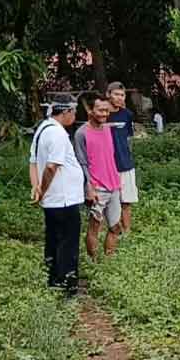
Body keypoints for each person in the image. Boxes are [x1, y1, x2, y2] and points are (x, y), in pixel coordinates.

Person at [29, 105, 84, 296]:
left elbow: (33, 162)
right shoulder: (58, 134)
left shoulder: (42, 129)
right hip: (64, 198)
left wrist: (35, 188)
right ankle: (68, 285)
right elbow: (51, 167)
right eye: (74, 113)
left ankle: (53, 279)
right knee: (68, 243)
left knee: (53, 240)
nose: (75, 116)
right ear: (65, 112)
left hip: (53, 200)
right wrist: (42, 189)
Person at [75, 94, 123, 259]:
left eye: (106, 111)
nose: (104, 114)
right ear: (90, 110)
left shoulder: (108, 128)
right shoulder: (81, 133)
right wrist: (89, 186)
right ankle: (93, 262)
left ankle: (109, 260)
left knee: (115, 226)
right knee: (95, 226)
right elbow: (81, 163)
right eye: (100, 110)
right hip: (97, 187)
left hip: (114, 185)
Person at [106, 82, 137, 233]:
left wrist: (128, 156)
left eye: (122, 95)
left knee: (126, 201)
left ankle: (127, 231)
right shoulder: (102, 114)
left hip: (125, 163)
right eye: (116, 94)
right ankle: (112, 230)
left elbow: (129, 138)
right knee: (108, 201)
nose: (119, 98)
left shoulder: (127, 115)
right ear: (108, 94)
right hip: (107, 165)